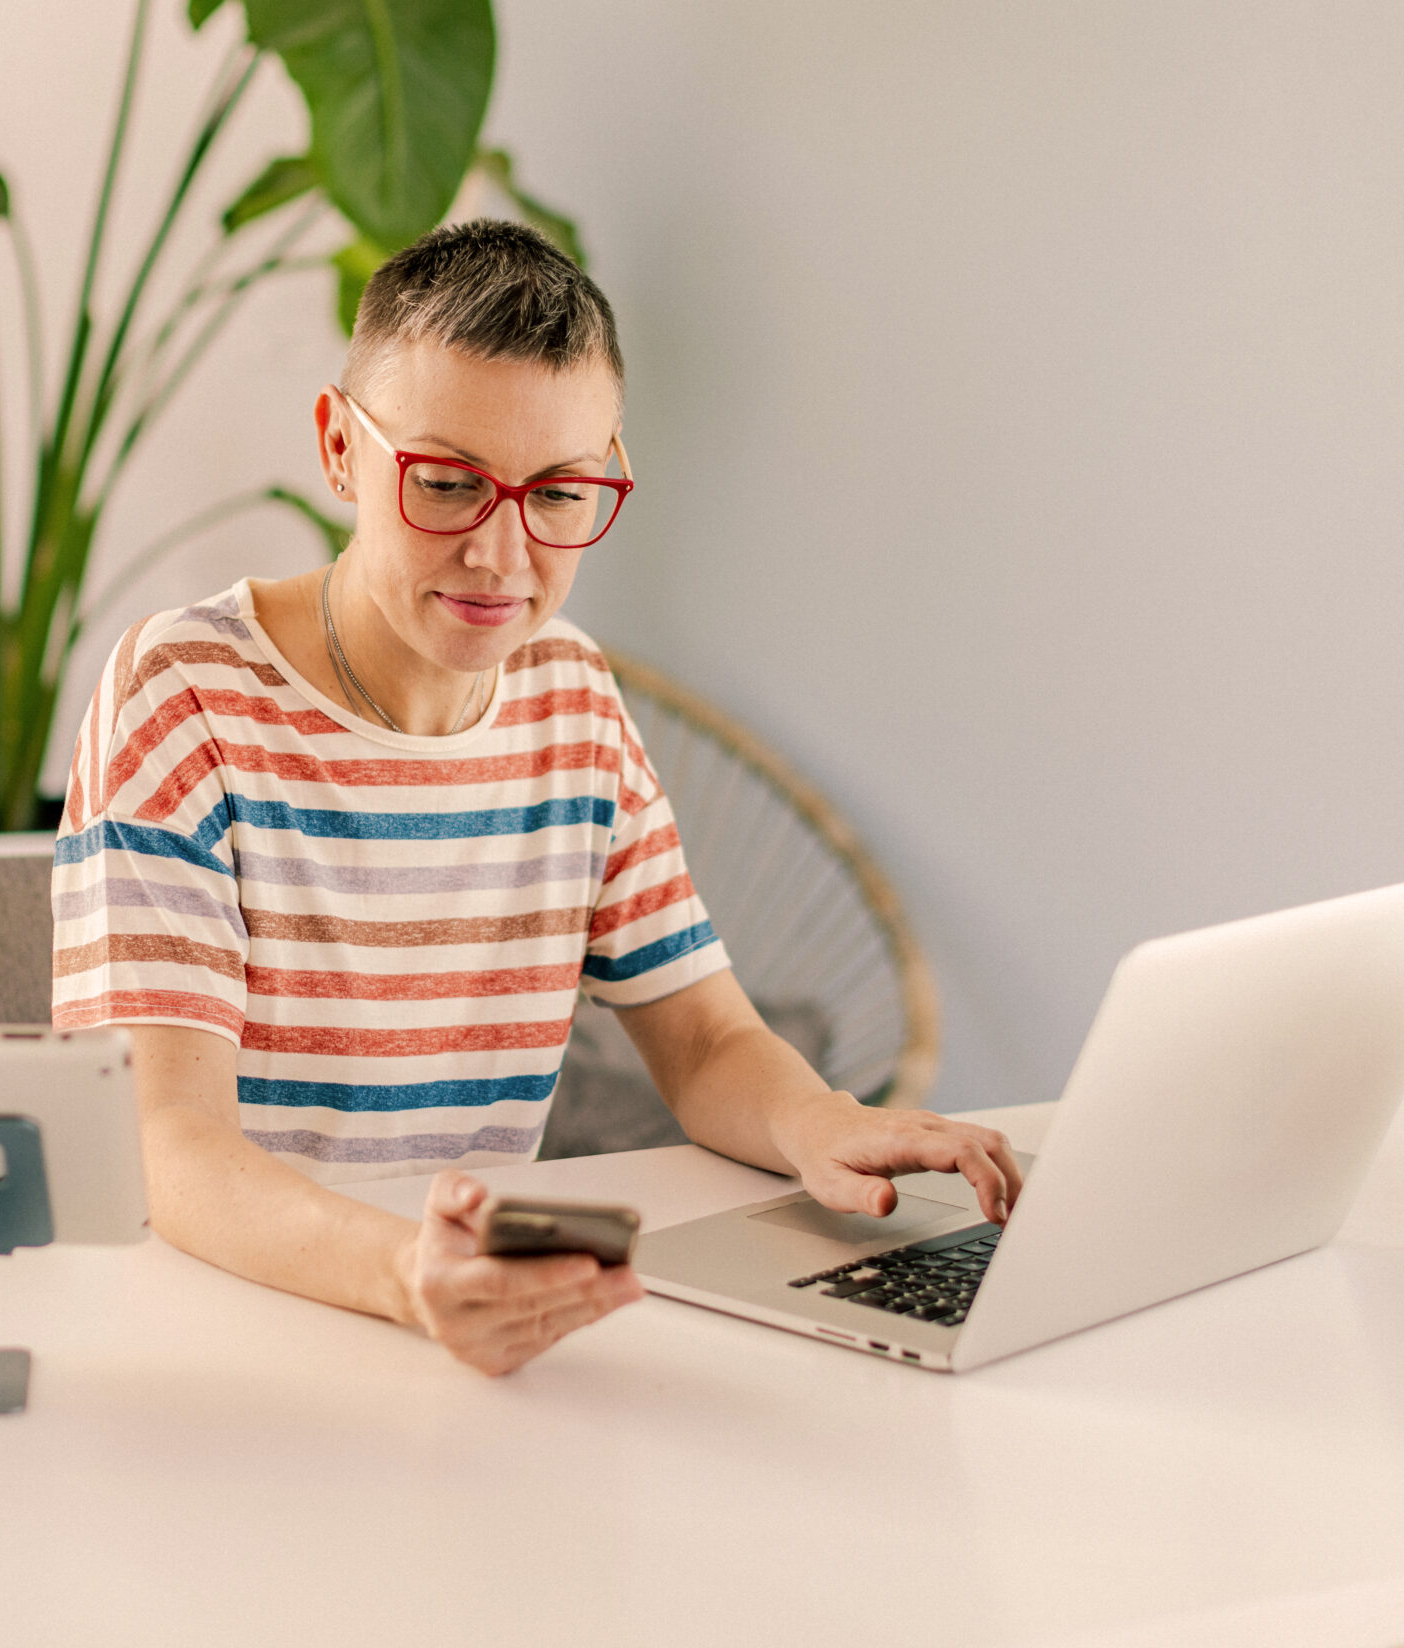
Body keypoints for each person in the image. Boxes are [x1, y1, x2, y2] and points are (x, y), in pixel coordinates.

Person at [53, 220, 1014, 1374]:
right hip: (231, 1328)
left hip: (467, 1324)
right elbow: (167, 1139)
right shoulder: (186, 694)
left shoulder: (572, 697)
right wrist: (405, 1272)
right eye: (449, 484)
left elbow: (704, 1038)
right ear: (339, 449)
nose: (503, 557)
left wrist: (826, 1124)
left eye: (559, 493)